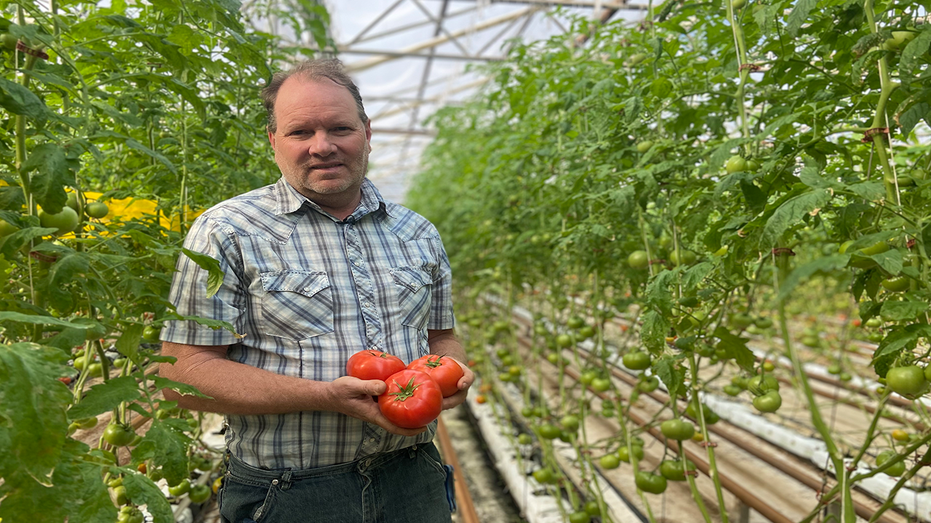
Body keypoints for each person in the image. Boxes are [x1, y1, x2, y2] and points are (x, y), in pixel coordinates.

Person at [158, 58, 473, 523]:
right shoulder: (227, 231)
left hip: (414, 478)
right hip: (290, 493)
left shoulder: (418, 232)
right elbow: (182, 374)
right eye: (300, 132)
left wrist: (454, 372)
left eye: (339, 128)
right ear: (273, 141)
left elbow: (441, 337)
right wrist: (321, 394)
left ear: (367, 131)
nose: (322, 147)